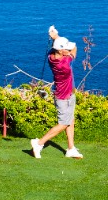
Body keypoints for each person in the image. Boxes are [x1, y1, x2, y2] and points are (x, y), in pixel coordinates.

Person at [31, 26, 82, 159]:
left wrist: (55, 37)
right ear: (61, 51)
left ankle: (70, 148)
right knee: (63, 123)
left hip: (68, 94)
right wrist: (57, 38)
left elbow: (61, 48)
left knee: (70, 120)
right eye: (66, 48)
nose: (69, 49)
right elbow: (75, 49)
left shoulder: (51, 56)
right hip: (63, 96)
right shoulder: (64, 64)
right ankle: (39, 143)